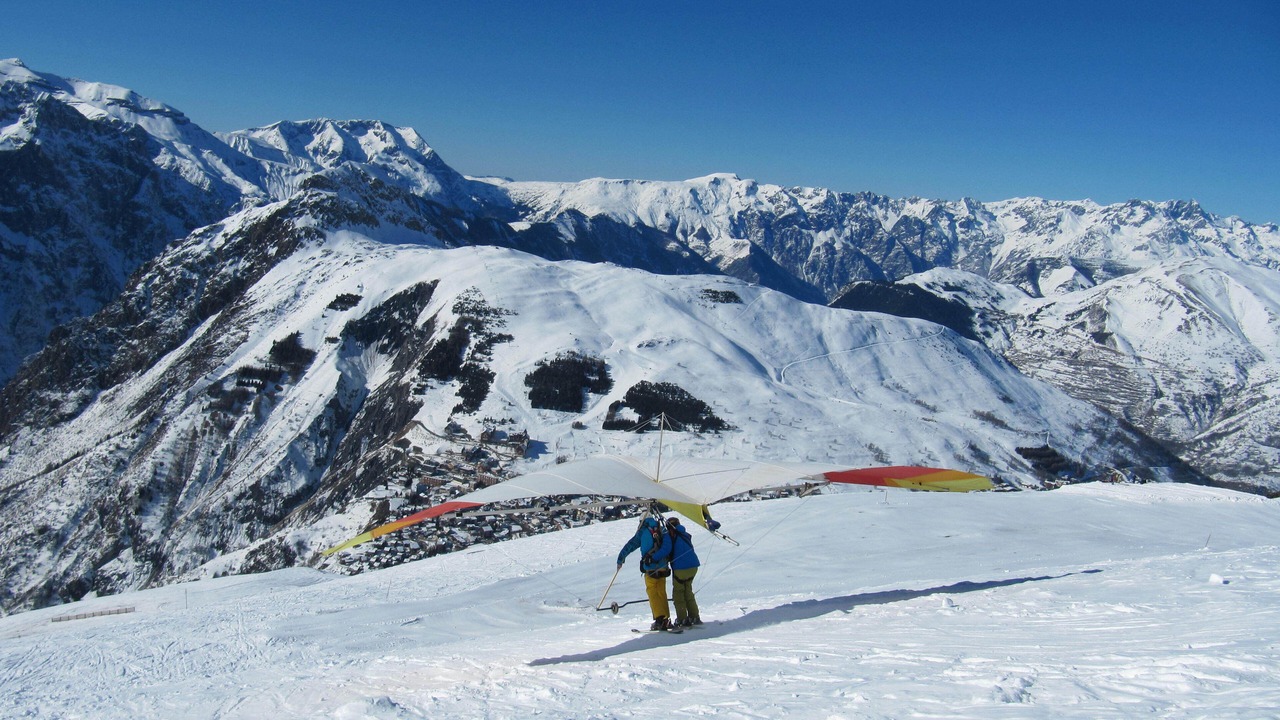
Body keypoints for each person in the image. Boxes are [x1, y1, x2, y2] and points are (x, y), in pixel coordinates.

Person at [617, 514, 675, 631]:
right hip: (663, 567)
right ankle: (666, 619)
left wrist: (621, 559)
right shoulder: (661, 529)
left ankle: (659, 619)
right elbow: (668, 546)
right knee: (661, 592)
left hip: (651, 567)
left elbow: (631, 545)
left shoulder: (643, 531)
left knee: (652, 591)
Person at [666, 516, 702, 627]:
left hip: (680, 569)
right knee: (688, 591)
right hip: (693, 567)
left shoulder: (672, 536)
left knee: (678, 593)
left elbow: (667, 551)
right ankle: (694, 616)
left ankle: (682, 619)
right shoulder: (685, 534)